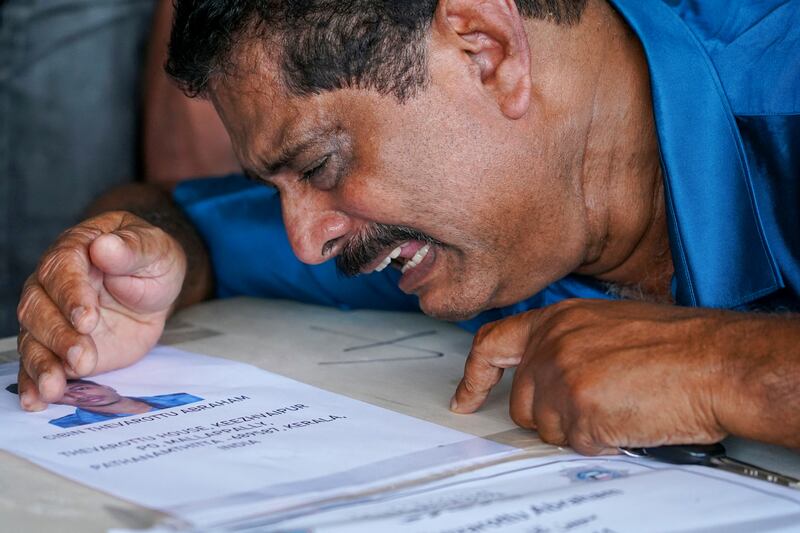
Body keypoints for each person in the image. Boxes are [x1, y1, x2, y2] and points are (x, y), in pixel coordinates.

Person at [14, 0, 800, 455]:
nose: (305, 241)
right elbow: (178, 217)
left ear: (482, 49)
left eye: (318, 164)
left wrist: (733, 366)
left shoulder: (783, 87)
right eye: (279, 185)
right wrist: (127, 262)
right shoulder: (451, 215)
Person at [6, 378, 201, 428]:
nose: (78, 396)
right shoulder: (69, 426)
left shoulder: (183, 398)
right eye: (65, 396)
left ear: (108, 387)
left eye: (81, 388)